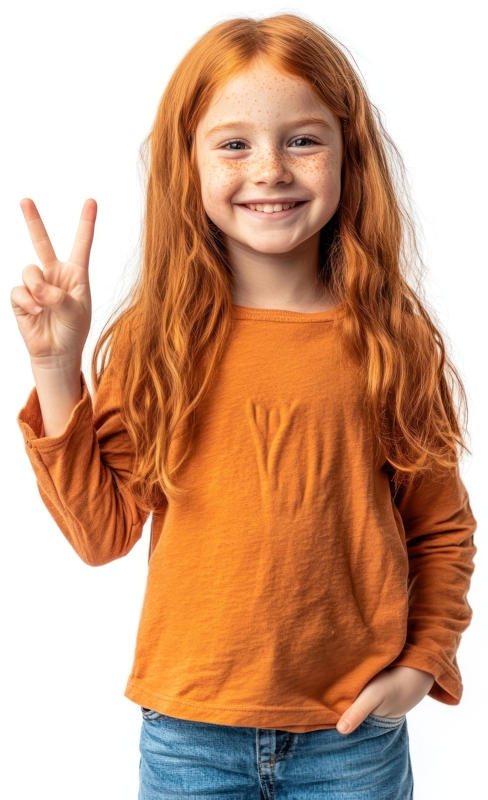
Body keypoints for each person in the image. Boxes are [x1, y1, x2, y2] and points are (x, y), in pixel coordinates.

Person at [12, 12, 477, 800]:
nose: (270, 169)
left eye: (302, 139)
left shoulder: (389, 339)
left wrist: (419, 666)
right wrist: (57, 366)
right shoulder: (158, 343)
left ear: (346, 153)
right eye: (234, 143)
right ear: (185, 165)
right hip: (188, 738)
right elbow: (100, 535)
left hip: (350, 741)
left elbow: (439, 525)